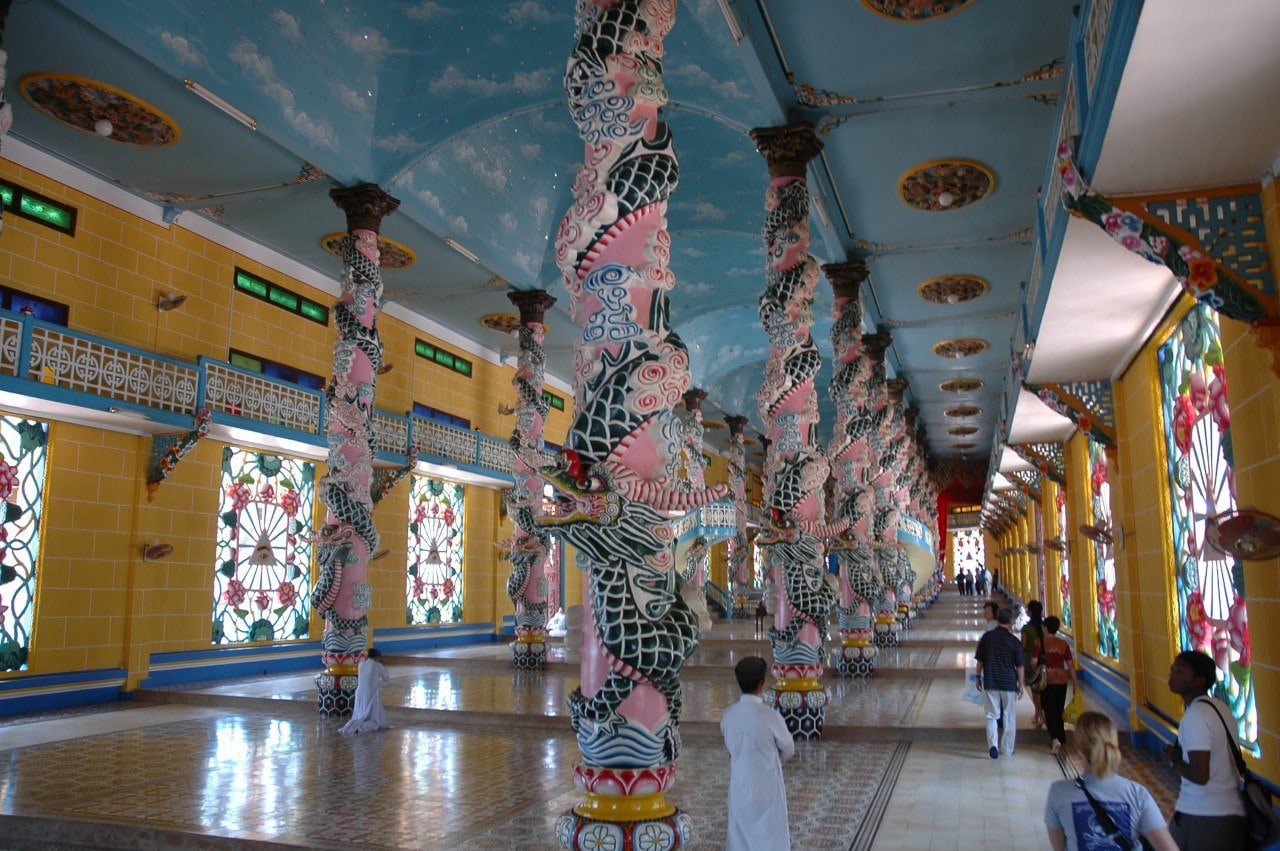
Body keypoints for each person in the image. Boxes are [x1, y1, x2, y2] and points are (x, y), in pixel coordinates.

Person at [1044, 711, 1178, 850]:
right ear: (1115, 743)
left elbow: (1059, 847)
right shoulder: (1137, 794)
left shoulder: (1059, 792)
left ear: (1077, 745)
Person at [1162, 650, 1248, 849]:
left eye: (1181, 671)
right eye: (1173, 669)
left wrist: (1175, 762)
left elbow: (1200, 775)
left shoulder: (1195, 717)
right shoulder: (1220, 708)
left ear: (1200, 680)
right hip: (1228, 810)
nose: (1172, 675)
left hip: (1204, 814)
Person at [721, 655, 795, 851]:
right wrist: (773, 758)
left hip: (741, 782)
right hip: (767, 784)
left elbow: (730, 746)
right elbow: (788, 747)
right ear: (762, 683)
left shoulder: (728, 715)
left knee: (740, 833)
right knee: (771, 833)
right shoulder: (770, 716)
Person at [974, 607, 1024, 758]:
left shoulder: (987, 638)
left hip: (991, 681)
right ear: (1010, 622)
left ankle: (993, 746)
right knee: (1009, 716)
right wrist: (1021, 685)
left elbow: (980, 660)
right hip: (1009, 683)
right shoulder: (1014, 641)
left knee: (991, 715)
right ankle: (1007, 749)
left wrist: (977, 677)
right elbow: (1020, 666)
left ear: (996, 620)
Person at [1039, 615, 1078, 754]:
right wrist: (1075, 683)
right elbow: (1071, 665)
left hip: (1047, 680)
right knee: (1059, 710)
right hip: (1061, 680)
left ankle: (1055, 739)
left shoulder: (1040, 643)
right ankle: (1061, 737)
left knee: (1049, 710)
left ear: (1046, 628)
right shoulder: (1063, 644)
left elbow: (1033, 662)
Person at [339, 648, 391, 734]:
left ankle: (354, 725)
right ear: (377, 657)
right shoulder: (377, 665)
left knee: (360, 714)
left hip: (360, 693)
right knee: (373, 721)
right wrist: (383, 666)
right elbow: (387, 678)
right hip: (371, 694)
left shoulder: (361, 664)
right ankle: (358, 728)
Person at [1021, 600, 1048, 729]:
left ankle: (1041, 716)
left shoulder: (1026, 629)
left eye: (1027, 608)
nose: (1025, 609)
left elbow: (1023, 646)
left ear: (1030, 611)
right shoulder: (1044, 627)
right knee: (1041, 689)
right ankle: (1037, 714)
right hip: (1044, 660)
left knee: (1034, 689)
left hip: (1031, 661)